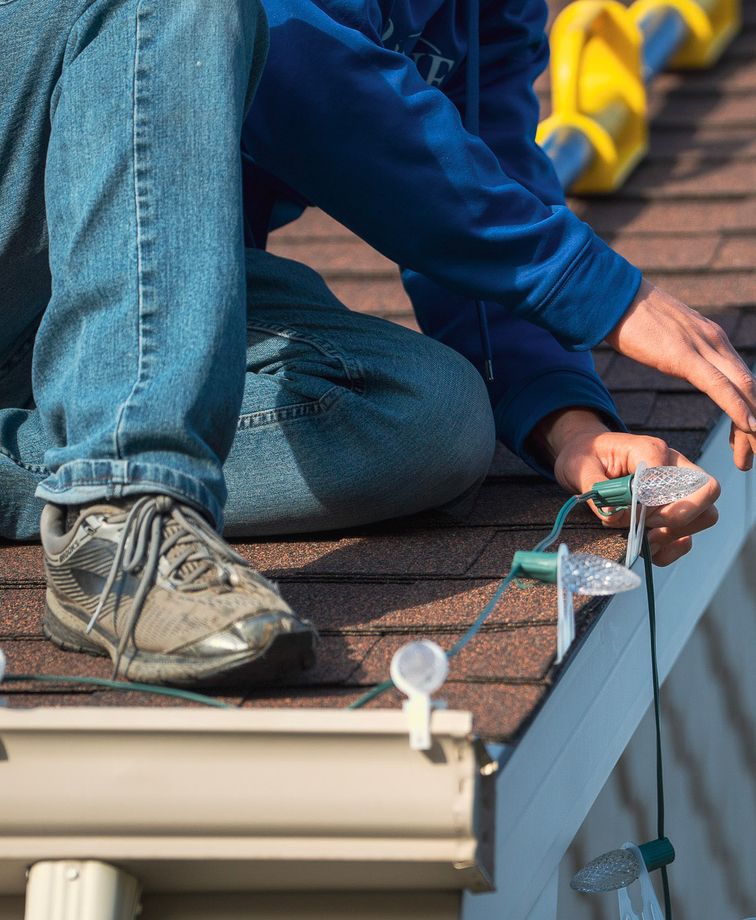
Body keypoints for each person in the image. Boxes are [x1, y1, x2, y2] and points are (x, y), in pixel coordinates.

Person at [239, 0, 755, 568]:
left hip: (215, 275)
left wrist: (570, 426)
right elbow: (306, 77)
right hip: (136, 268)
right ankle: (139, 471)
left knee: (431, 423)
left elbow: (487, 183)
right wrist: (607, 294)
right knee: (438, 424)